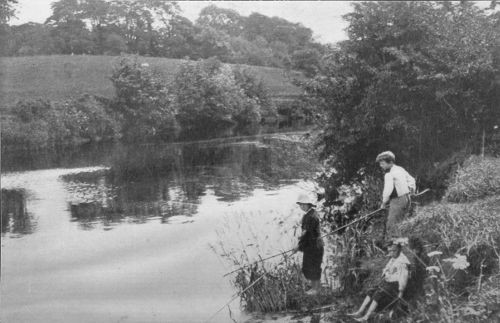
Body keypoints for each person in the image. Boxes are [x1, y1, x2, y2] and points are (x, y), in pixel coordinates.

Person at [347, 242, 410, 321]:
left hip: (395, 285)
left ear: (399, 250)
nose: (391, 253)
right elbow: (386, 268)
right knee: (371, 291)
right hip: (387, 282)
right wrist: (386, 272)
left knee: (378, 294)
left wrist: (401, 291)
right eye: (390, 251)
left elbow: (403, 278)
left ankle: (366, 317)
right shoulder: (393, 259)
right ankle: (360, 311)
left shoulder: (402, 262)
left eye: (393, 251)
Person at [376, 151, 416, 239]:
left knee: (392, 225)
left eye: (382, 163)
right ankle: (403, 244)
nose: (380, 166)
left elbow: (387, 191)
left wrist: (383, 203)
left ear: (390, 162)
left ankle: (395, 247)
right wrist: (411, 189)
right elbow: (412, 179)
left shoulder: (388, 174)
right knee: (401, 222)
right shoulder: (400, 169)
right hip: (407, 199)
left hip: (397, 201)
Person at [294, 194, 324, 295]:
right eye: (300, 204)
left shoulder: (310, 216)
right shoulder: (310, 214)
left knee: (314, 267)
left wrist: (298, 246)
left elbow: (306, 234)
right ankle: (315, 287)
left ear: (308, 204)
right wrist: (300, 245)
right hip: (312, 245)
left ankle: (316, 289)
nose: (301, 206)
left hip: (314, 246)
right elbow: (305, 234)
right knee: (310, 266)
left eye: (303, 204)